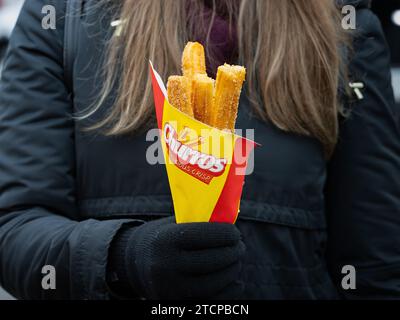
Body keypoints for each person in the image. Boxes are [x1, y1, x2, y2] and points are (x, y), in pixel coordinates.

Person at [0, 0, 399, 300]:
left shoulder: (344, 24)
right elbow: (15, 229)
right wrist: (123, 257)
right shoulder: (64, 16)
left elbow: (375, 265)